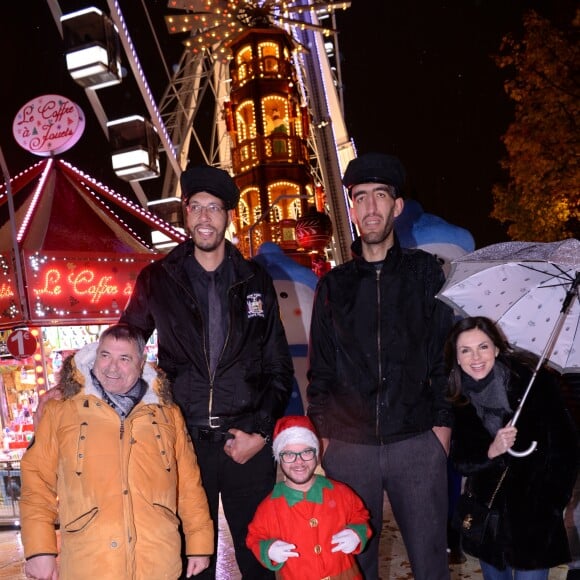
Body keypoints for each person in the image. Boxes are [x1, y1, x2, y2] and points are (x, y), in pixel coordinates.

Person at [120, 164, 294, 579]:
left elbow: (279, 367)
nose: (204, 217)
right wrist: (75, 383)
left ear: (228, 216)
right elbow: (124, 348)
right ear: (185, 212)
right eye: (195, 207)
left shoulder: (255, 280)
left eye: (213, 208)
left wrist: (261, 432)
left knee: (261, 560)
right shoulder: (158, 279)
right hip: (183, 442)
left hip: (246, 440)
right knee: (191, 562)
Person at [306, 152, 454, 579]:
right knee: (355, 564)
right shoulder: (333, 285)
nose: (370, 207)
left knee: (430, 562)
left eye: (380, 196)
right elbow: (321, 370)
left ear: (397, 206)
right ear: (351, 209)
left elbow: (444, 356)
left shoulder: (426, 273)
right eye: (361, 197)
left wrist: (440, 430)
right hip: (349, 448)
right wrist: (326, 436)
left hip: (417, 441)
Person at [20, 323, 214, 580]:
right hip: (89, 563)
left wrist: (199, 545)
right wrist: (38, 551)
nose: (112, 367)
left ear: (141, 362)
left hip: (157, 562)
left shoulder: (167, 413)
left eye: (124, 358)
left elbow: (189, 485)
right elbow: (37, 482)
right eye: (105, 355)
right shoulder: (61, 410)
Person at [444, 316, 578, 580]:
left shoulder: (533, 383)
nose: (476, 357)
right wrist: (490, 451)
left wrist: (553, 502)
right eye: (465, 350)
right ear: (457, 358)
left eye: (483, 347)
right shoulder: (458, 399)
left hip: (535, 513)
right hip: (489, 514)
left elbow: (567, 446)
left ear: (496, 348)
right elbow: (460, 461)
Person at [246, 415, 371, 579]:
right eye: (289, 454)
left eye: (306, 452)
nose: (299, 462)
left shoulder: (341, 493)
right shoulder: (269, 507)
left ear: (317, 455)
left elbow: (360, 515)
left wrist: (357, 533)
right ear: (279, 458)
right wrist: (268, 549)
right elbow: (254, 537)